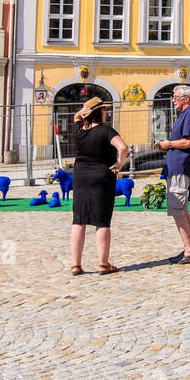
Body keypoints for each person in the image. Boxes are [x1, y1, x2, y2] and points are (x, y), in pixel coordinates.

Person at [69, 99, 129, 276]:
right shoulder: (106, 130)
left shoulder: (79, 130)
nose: (106, 113)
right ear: (99, 113)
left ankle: (75, 265)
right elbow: (123, 147)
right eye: (103, 110)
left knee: (79, 220)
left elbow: (76, 116)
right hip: (102, 176)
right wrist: (119, 163)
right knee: (102, 221)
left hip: (80, 176)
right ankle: (103, 264)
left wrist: (84, 110)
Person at [157, 85, 190, 264]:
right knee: (182, 209)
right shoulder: (183, 115)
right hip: (175, 165)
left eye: (176, 97)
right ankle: (188, 248)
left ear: (186, 99)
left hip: (180, 166)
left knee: (177, 209)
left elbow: (188, 142)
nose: (173, 99)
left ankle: (189, 250)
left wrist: (168, 144)